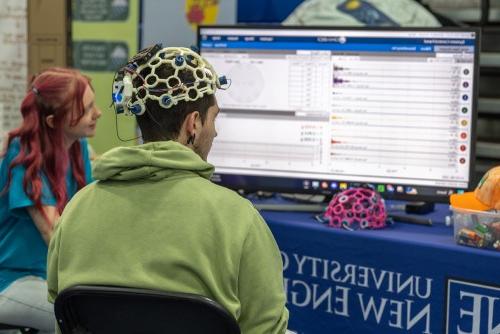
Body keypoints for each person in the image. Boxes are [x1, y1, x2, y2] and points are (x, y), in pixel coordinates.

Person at [47, 46, 289, 333]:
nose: (216, 131)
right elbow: (266, 327)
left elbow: (62, 313)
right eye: (213, 118)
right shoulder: (239, 218)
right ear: (194, 125)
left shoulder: (77, 208)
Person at [0, 67, 101, 333]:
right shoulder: (24, 156)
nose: (98, 113)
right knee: (83, 320)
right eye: (87, 108)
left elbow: (89, 214)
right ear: (54, 122)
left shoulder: (77, 147)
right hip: (12, 279)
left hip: (53, 277)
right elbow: (55, 234)